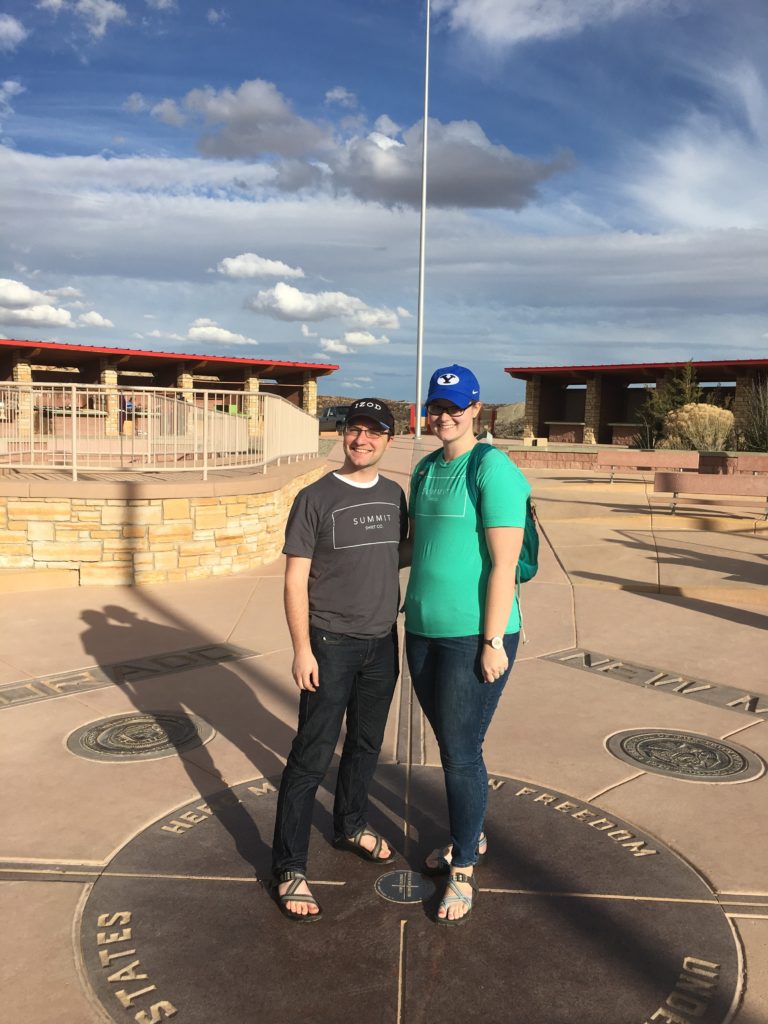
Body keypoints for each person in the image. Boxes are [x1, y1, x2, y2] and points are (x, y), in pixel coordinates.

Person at [271, 398, 407, 922]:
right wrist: (302, 648)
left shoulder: (396, 495)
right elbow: (294, 580)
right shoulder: (314, 497)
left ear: (388, 440)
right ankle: (289, 866)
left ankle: (350, 825)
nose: (363, 439)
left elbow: (400, 552)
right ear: (343, 435)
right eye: (355, 430)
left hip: (381, 643)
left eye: (374, 432)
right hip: (329, 644)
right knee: (311, 754)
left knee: (367, 746)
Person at [404, 364, 530, 925]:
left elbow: (504, 564)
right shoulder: (425, 468)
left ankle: (462, 867)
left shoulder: (492, 469)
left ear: (477, 409)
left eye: (455, 407)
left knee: (459, 751)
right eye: (435, 406)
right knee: (455, 743)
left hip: (473, 634)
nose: (444, 416)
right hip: (422, 628)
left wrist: (493, 640)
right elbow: (418, 547)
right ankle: (470, 834)